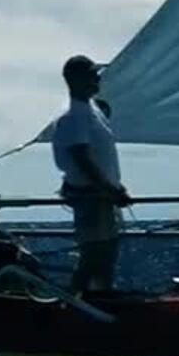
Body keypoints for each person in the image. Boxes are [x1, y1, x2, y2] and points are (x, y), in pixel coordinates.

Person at [51, 55, 130, 295]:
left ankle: (101, 296)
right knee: (94, 253)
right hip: (91, 196)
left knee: (106, 252)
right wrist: (110, 188)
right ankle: (78, 301)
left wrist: (113, 187)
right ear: (74, 79)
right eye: (91, 75)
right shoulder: (74, 116)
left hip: (101, 195)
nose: (97, 78)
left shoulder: (91, 110)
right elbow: (81, 157)